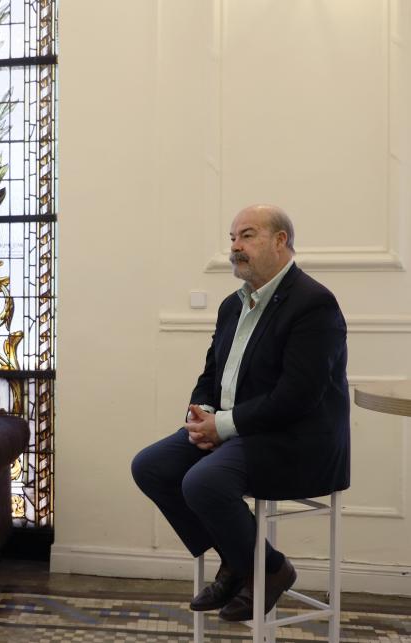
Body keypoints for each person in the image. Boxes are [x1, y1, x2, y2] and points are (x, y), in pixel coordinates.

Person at [131, 204, 350, 621]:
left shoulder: (314, 303)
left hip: (295, 440)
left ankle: (269, 570)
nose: (235, 247)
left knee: (203, 481)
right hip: (240, 430)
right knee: (151, 466)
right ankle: (239, 560)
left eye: (247, 236)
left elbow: (298, 398)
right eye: (233, 238)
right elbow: (212, 372)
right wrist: (203, 413)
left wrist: (223, 426)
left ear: (280, 240)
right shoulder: (234, 305)